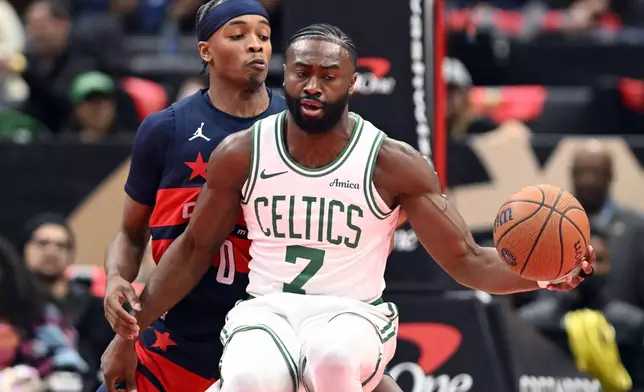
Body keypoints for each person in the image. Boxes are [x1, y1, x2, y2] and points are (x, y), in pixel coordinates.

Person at [110, 23, 594, 392]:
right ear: (287, 76)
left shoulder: (393, 163)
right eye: (302, 73)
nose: (313, 86)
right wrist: (129, 336)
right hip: (266, 311)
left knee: (332, 359)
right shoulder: (242, 152)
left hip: (353, 315)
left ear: (353, 83)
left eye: (328, 75)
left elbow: (469, 261)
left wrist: (548, 275)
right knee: (250, 376)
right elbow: (192, 251)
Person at [99, 2, 402, 392]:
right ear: (205, 50)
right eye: (238, 34)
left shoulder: (301, 124)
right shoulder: (165, 130)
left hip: (274, 332)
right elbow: (130, 232)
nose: (256, 45)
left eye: (263, 35)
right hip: (179, 333)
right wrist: (115, 284)